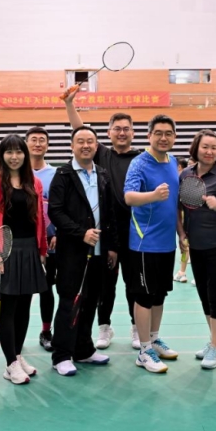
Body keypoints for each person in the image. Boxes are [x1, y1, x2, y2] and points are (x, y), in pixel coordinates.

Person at [65, 88, 143, 350]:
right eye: (117, 128)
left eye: (126, 129)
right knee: (104, 284)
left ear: (133, 132)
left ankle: (136, 326)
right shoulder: (102, 155)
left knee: (133, 283)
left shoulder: (141, 158)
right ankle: (104, 327)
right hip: (106, 232)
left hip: (135, 233)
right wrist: (69, 103)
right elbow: (80, 131)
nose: (122, 132)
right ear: (108, 133)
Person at [48, 126, 118, 376]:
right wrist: (81, 233)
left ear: (96, 146)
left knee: (90, 301)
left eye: (90, 141)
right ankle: (61, 355)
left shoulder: (103, 174)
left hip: (99, 252)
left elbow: (110, 212)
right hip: (72, 252)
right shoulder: (63, 175)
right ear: (72, 146)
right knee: (70, 301)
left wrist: (111, 246)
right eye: (80, 141)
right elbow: (55, 211)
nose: (86, 145)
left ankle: (83, 349)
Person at [0, 135, 49, 385]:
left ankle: (17, 356)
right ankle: (10, 363)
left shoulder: (35, 183)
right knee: (7, 309)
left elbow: (39, 219)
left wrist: (41, 250)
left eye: (18, 151)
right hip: (5, 250)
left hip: (29, 250)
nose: (14, 156)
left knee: (24, 308)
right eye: (8, 152)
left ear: (25, 154)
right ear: (2, 155)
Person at [124, 115, 181, 373]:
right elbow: (129, 197)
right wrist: (154, 195)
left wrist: (181, 232)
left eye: (168, 133)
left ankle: (154, 339)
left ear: (174, 137)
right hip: (145, 243)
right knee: (144, 297)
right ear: (149, 136)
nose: (163, 138)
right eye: (158, 133)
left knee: (159, 295)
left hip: (168, 243)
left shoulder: (173, 161)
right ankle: (144, 350)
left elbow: (173, 203)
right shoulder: (139, 163)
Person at [177, 130, 216, 369]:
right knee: (204, 294)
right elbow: (178, 208)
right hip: (196, 245)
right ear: (196, 148)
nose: (209, 151)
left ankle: (214, 346)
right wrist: (181, 232)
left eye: (214, 147)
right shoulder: (186, 174)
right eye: (205, 146)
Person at [25, 127, 59, 352]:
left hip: (52, 243)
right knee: (22, 291)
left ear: (47, 145)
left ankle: (46, 331)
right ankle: (17, 333)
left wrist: (57, 233)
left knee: (47, 289)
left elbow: (61, 208)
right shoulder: (17, 173)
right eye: (33, 140)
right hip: (25, 244)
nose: (38, 144)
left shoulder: (56, 174)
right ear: (26, 143)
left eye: (42, 140)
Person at [174, 158, 192, 283]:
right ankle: (182, 272)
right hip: (183, 220)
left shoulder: (184, 181)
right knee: (185, 248)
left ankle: (182, 272)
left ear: (179, 167)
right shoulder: (180, 180)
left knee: (186, 248)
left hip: (189, 221)